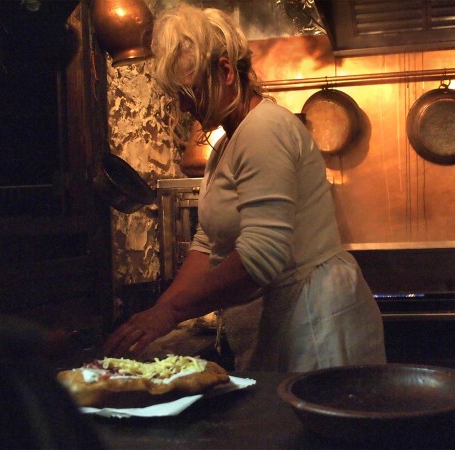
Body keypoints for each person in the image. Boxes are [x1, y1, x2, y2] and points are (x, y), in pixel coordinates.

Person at [103, 3, 386, 372]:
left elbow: (261, 257)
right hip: (289, 316)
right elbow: (208, 242)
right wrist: (158, 314)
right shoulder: (225, 145)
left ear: (225, 72)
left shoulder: (264, 129)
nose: (184, 105)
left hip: (317, 320)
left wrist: (170, 313)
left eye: (188, 90)